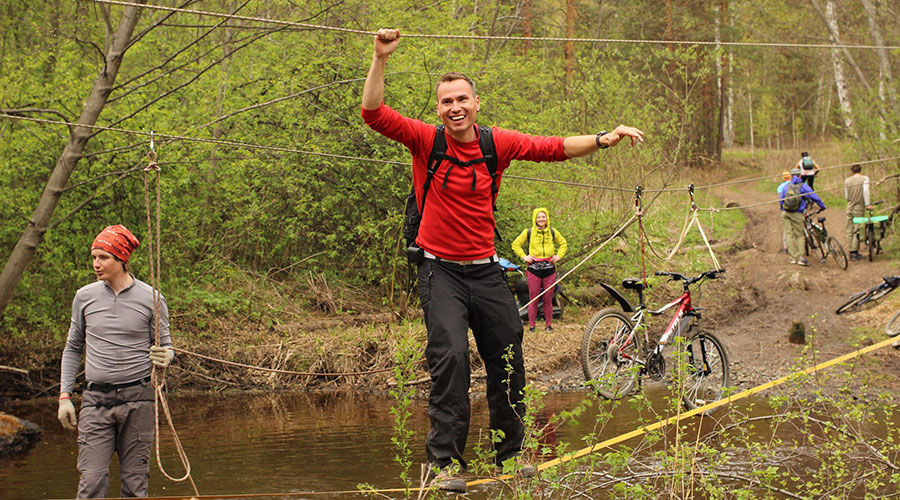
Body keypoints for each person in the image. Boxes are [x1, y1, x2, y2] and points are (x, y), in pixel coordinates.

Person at [361, 28, 643, 493]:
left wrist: (604, 138)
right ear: (438, 109)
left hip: (487, 269)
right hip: (440, 270)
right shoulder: (424, 141)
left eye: (462, 100)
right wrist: (379, 58)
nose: (455, 108)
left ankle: (510, 454)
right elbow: (373, 113)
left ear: (477, 103)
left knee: (508, 356)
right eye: (447, 101)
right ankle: (447, 463)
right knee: (449, 357)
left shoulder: (497, 144)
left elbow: (551, 147)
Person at [57, 224, 174, 499]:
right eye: (94, 257)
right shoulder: (84, 297)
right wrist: (65, 396)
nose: (96, 264)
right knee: (92, 482)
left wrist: (166, 356)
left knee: (135, 485)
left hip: (139, 400)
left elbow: (167, 346)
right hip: (96, 401)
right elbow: (73, 348)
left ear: (122, 259)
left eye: (103, 257)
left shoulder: (152, 298)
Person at [511, 207, 568, 333]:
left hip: (549, 269)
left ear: (547, 218)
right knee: (534, 298)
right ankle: (532, 326)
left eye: (543, 217)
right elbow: (515, 244)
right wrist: (524, 256)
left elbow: (563, 243)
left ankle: (548, 325)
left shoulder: (552, 232)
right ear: (535, 219)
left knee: (548, 298)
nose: (541, 219)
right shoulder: (529, 232)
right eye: (539, 217)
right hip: (533, 270)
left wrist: (558, 256)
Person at [781, 168, 826, 266]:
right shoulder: (802, 186)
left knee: (789, 235)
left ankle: (792, 258)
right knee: (800, 235)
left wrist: (783, 209)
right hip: (797, 213)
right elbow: (814, 196)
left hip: (786, 213)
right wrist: (822, 206)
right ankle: (801, 258)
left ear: (791, 176)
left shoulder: (786, 186)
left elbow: (781, 199)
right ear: (800, 176)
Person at [844, 163, 873, 261]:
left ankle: (849, 249)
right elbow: (865, 191)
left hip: (849, 206)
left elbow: (847, 196)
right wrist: (867, 204)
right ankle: (854, 252)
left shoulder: (847, 180)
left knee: (849, 229)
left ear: (852, 171)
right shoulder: (865, 179)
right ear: (860, 170)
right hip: (859, 207)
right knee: (857, 229)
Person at [777, 170, 792, 253]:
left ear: (783, 178)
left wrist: (782, 207)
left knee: (786, 229)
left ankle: (786, 248)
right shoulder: (796, 185)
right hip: (798, 209)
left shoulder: (780, 187)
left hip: (786, 210)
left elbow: (781, 200)